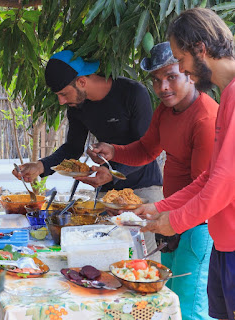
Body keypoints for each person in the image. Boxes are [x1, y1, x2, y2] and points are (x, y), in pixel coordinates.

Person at [82, 41, 218, 320]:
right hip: (172, 219)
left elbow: (204, 189)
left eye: (171, 77)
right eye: (156, 80)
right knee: (170, 300)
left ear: (189, 73)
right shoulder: (165, 111)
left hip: (198, 224)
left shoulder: (204, 117)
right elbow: (146, 150)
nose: (163, 87)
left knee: (190, 308)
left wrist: (159, 210)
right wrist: (115, 150)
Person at [12, 49, 163, 260]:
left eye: (64, 94)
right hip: (107, 196)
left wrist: (114, 173)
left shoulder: (132, 93)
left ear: (82, 82)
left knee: (142, 263)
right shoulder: (78, 107)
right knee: (106, 260)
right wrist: (41, 166)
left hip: (143, 189)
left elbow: (146, 149)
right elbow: (73, 147)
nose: (61, 102)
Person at [135, 8, 235, 320]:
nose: (180, 68)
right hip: (224, 241)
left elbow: (222, 185)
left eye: (180, 59)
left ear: (200, 50)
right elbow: (209, 177)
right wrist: (160, 208)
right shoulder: (227, 95)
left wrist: (174, 221)